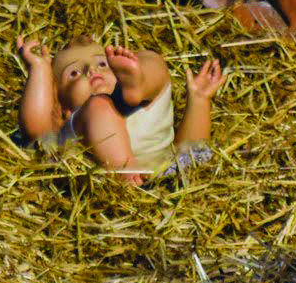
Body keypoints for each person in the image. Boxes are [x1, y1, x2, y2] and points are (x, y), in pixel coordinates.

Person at [14, 39, 223, 182]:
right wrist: (39, 68)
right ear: (63, 108)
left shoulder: (136, 106)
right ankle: (125, 170)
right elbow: (36, 127)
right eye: (75, 73)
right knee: (99, 106)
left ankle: (140, 81)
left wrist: (198, 100)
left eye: (103, 63)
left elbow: (191, 149)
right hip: (124, 182)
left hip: (164, 170)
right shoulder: (73, 124)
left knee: (154, 62)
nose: (92, 70)